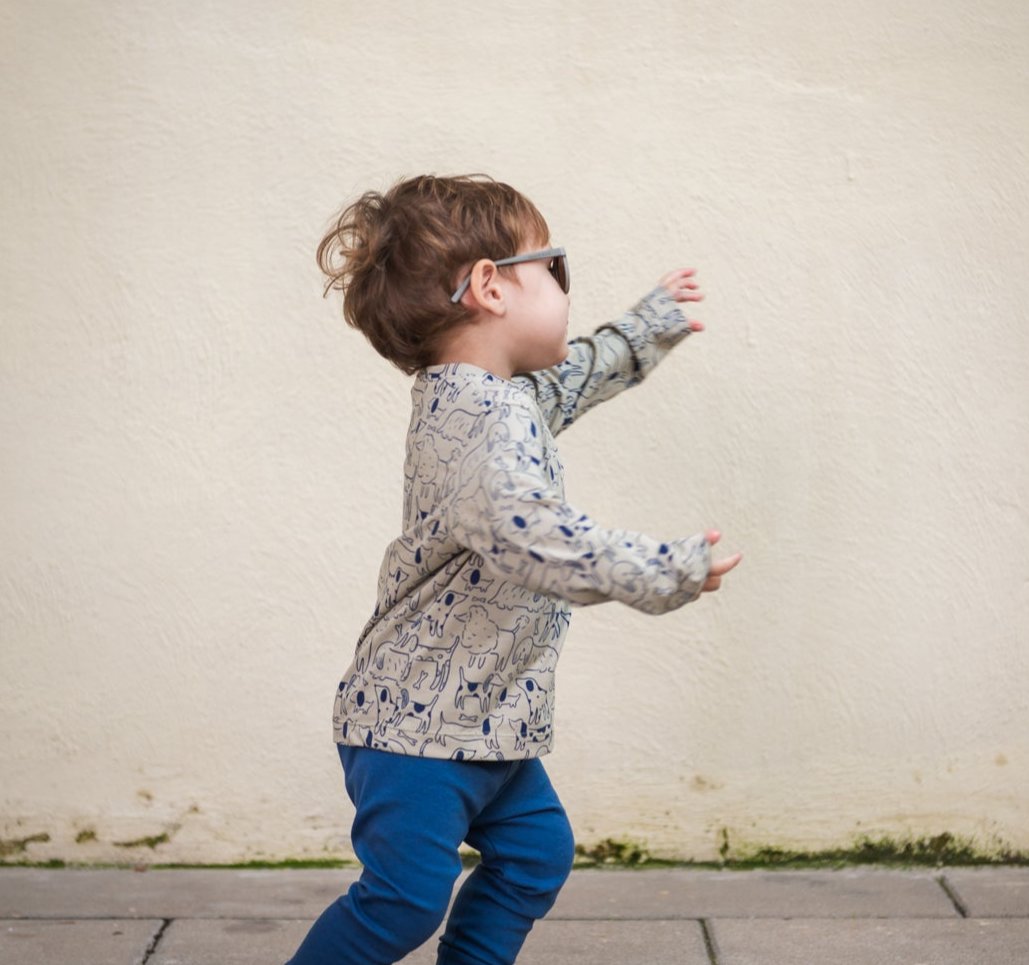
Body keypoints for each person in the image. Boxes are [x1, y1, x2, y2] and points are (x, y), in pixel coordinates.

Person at [287, 174, 742, 965]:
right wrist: (663, 568)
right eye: (554, 267)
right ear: (491, 287)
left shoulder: (495, 397)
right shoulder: (477, 423)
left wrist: (644, 326)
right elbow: (536, 538)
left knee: (535, 854)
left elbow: (570, 377)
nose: (567, 285)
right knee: (402, 899)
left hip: (486, 721)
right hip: (416, 729)